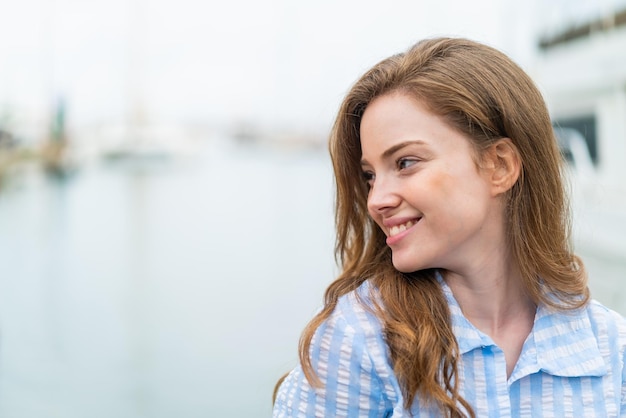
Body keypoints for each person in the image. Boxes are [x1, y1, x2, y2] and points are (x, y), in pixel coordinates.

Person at [272, 37, 626, 417]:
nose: (376, 200)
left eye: (405, 163)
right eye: (370, 176)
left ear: (500, 165)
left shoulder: (611, 348)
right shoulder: (358, 341)